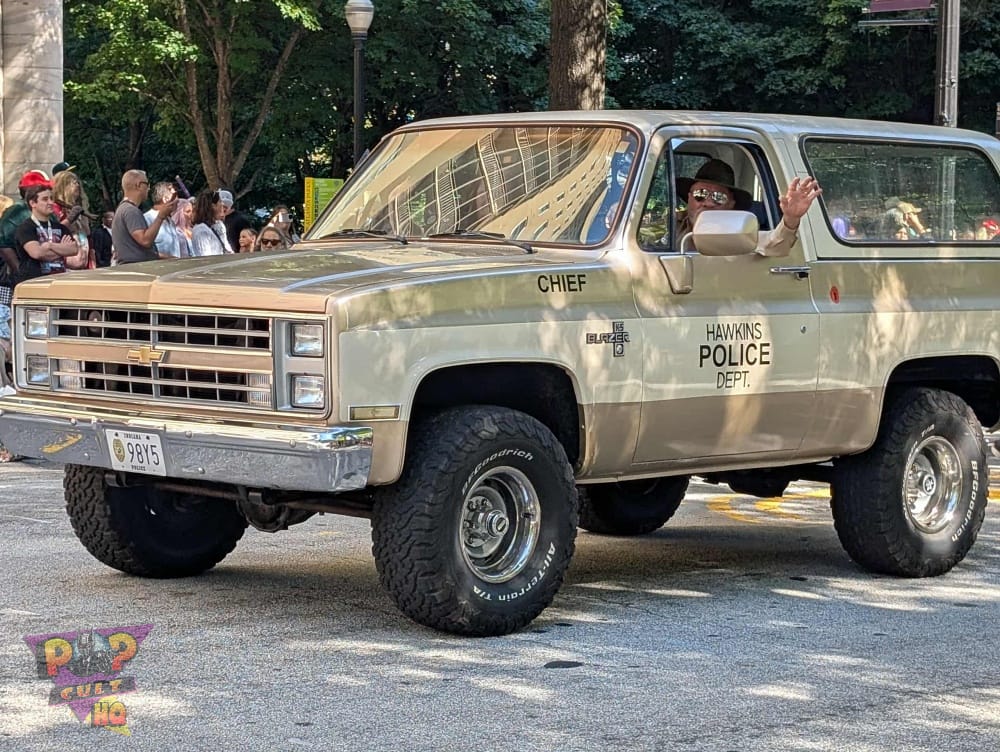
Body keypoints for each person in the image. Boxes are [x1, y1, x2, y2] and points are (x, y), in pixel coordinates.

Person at [674, 158, 822, 256]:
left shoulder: (738, 232)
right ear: (688, 197)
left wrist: (791, 218)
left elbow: (773, 244)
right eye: (700, 194)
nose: (708, 203)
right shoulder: (671, 224)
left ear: (731, 205)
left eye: (719, 197)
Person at [11, 182, 83, 286]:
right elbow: (37, 253)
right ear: (33, 203)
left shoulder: (60, 227)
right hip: (34, 284)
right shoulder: (26, 228)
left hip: (58, 283)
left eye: (51, 198)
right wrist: (62, 249)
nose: (50, 202)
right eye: (45, 199)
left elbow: (73, 249)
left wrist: (50, 245)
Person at [111, 170, 177, 264]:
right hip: (136, 270)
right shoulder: (130, 211)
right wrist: (161, 216)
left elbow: (138, 250)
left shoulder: (123, 209)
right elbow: (145, 240)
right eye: (147, 184)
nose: (149, 188)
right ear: (138, 185)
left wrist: (169, 258)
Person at [51, 170, 95, 269]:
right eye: (72, 182)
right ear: (62, 186)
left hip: (83, 263)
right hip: (65, 266)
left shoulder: (78, 207)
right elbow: (55, 232)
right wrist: (70, 218)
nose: (77, 185)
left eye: (77, 182)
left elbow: (87, 234)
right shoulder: (55, 208)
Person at [143, 182, 185, 258]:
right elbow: (144, 251)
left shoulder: (170, 221)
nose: (178, 200)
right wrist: (168, 258)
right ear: (165, 199)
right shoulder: (147, 219)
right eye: (175, 196)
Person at [190, 189, 233, 256]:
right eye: (220, 201)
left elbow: (227, 247)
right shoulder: (201, 230)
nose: (222, 204)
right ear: (213, 206)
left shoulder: (219, 225)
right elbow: (205, 258)